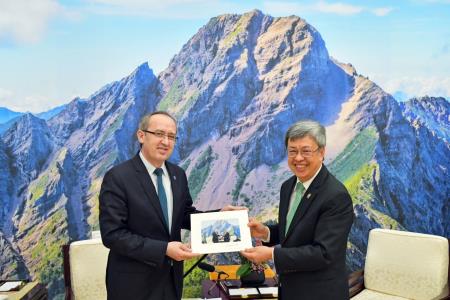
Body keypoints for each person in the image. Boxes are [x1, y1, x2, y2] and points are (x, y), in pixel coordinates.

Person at [99, 111, 242, 300]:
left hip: (170, 281)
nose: (166, 142)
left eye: (171, 136)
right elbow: (113, 235)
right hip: (132, 285)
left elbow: (184, 215)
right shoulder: (118, 177)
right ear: (141, 136)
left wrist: (220, 216)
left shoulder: (178, 175)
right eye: (159, 134)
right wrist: (164, 249)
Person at [241, 120, 354, 300]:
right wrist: (266, 232)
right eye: (292, 151)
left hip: (320, 293)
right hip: (290, 290)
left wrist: (271, 254)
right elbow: (295, 231)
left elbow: (323, 253)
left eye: (306, 151)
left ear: (322, 152)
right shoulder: (288, 186)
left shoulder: (336, 196)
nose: (298, 158)